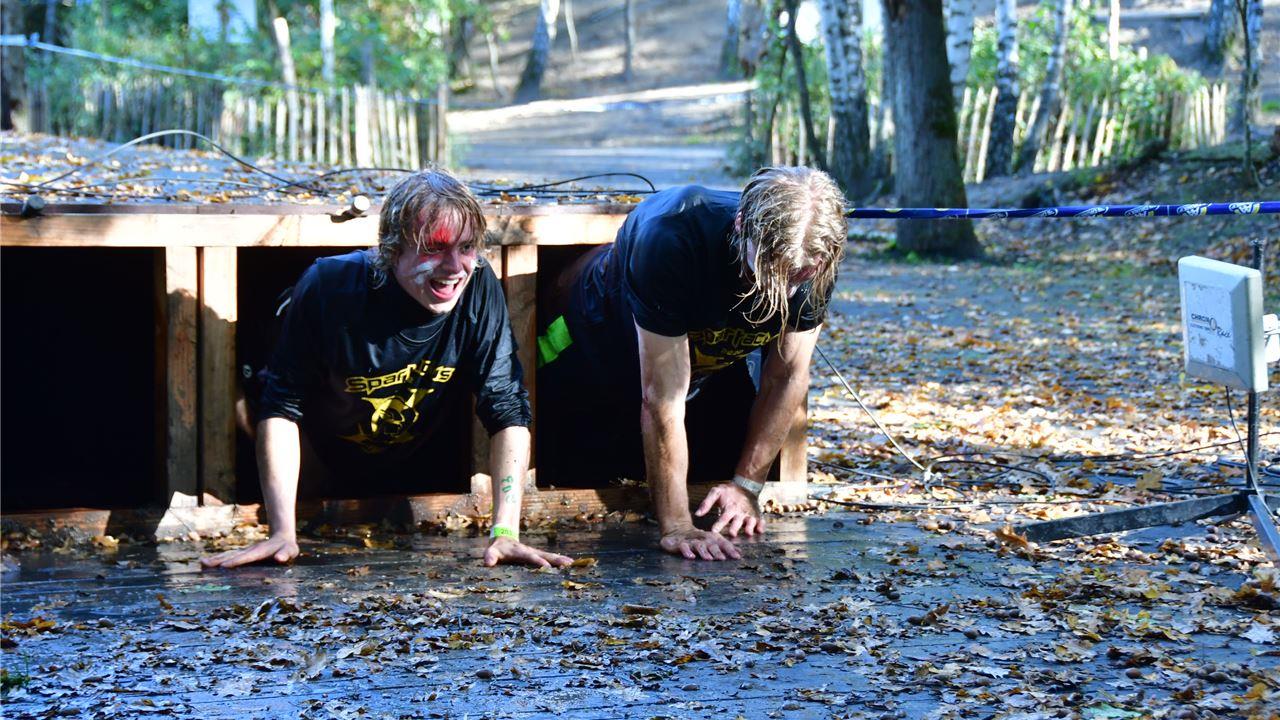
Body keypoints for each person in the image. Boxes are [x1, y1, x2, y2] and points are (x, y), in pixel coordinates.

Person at [202, 170, 571, 570]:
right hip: (316, 450)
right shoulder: (330, 286)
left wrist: (505, 531)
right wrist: (282, 532)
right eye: (434, 247)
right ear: (393, 248)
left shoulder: (479, 285)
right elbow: (281, 406)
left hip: (409, 464)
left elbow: (507, 407)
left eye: (466, 247)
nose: (455, 267)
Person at [537, 166, 848, 562]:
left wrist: (747, 486)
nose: (783, 291)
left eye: (798, 276)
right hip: (592, 335)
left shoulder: (813, 259)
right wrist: (677, 525)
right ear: (741, 226)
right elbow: (662, 398)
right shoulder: (672, 238)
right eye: (770, 270)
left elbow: (786, 376)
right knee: (578, 456)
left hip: (706, 356)